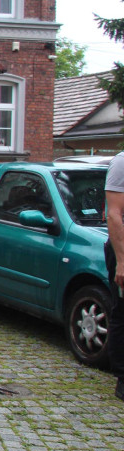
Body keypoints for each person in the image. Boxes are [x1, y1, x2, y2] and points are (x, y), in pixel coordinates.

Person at [103, 151, 124, 401]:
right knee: (123, 312)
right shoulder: (121, 163)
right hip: (122, 249)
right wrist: (121, 261)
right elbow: (114, 214)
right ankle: (122, 377)